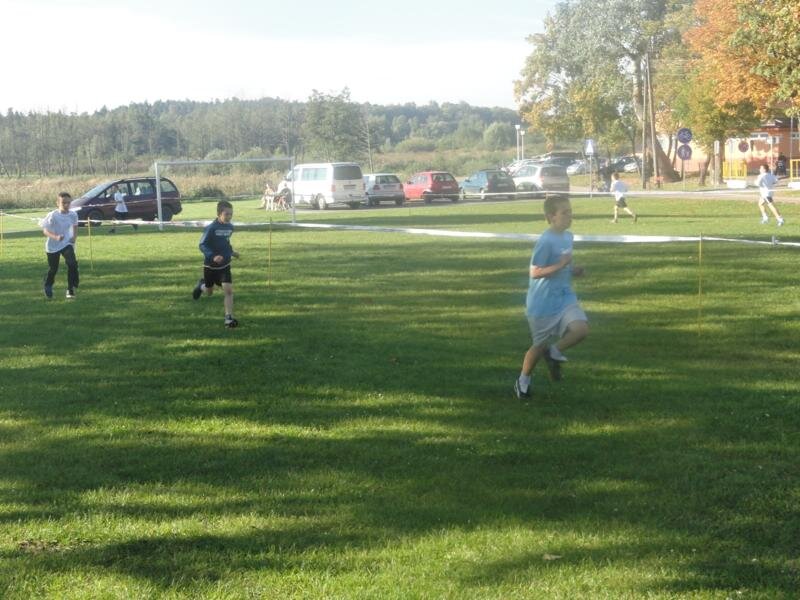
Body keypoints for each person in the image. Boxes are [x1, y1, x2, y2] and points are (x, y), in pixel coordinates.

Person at [514, 195, 589, 400]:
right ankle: (523, 381)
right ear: (551, 217)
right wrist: (562, 264)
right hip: (543, 302)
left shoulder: (568, 237)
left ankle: (554, 352)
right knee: (538, 346)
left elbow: (562, 265)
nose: (569, 216)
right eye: (564, 212)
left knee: (581, 330)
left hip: (564, 297)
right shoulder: (545, 241)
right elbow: (535, 272)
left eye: (570, 211)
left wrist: (573, 270)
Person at [192, 200, 241, 327]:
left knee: (228, 290)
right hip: (210, 266)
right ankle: (201, 286)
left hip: (224, 265)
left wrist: (232, 252)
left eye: (231, 214)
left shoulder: (230, 227)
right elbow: (202, 245)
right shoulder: (211, 228)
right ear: (219, 214)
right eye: (226, 214)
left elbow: (225, 243)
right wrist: (213, 256)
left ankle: (228, 318)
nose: (229, 217)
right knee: (209, 292)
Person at [41, 192, 79, 299]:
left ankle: (70, 290)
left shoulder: (73, 215)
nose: (66, 205)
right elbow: (45, 231)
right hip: (53, 246)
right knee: (53, 269)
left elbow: (75, 226)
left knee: (72, 264)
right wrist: (56, 237)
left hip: (67, 243)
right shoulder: (53, 215)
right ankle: (48, 284)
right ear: (57, 203)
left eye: (68, 203)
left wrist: (74, 237)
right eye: (64, 203)